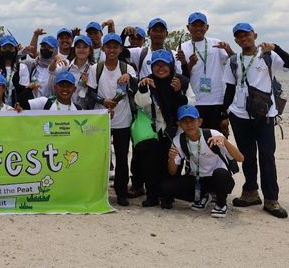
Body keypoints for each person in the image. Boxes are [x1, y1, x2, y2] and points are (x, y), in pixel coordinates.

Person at [222, 22, 289, 218]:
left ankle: (271, 199)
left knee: (267, 156)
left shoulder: (268, 56)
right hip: (239, 115)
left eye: (246, 35)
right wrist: (224, 114)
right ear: (235, 40)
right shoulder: (233, 60)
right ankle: (250, 192)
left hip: (265, 115)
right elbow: (230, 89)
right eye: (239, 36)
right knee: (247, 156)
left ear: (254, 35)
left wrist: (276, 48)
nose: (243, 38)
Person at [160, 105, 244, 218]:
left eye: (192, 121)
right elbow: (172, 172)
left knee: (220, 174)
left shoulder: (213, 134)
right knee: (166, 187)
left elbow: (240, 158)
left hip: (219, 179)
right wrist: (171, 158)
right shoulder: (178, 140)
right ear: (179, 124)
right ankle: (204, 195)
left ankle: (221, 204)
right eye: (184, 122)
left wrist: (224, 141)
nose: (189, 125)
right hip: (198, 179)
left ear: (199, 121)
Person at [87, 32, 137, 206]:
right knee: (100, 156)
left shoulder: (126, 68)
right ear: (103, 48)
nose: (112, 50)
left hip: (122, 119)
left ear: (120, 48)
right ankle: (98, 191)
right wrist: (103, 101)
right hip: (101, 119)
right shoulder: (96, 68)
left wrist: (129, 78)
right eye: (109, 46)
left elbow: (135, 87)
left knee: (122, 157)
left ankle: (121, 192)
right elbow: (90, 91)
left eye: (115, 46)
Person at [134, 49, 189, 206]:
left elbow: (190, 105)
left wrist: (178, 93)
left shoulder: (182, 81)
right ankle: (152, 196)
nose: (160, 68)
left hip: (176, 132)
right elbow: (141, 105)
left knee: (174, 163)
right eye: (156, 65)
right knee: (151, 165)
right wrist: (144, 89)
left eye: (164, 65)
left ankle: (168, 197)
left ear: (171, 65)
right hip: (155, 131)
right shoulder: (146, 81)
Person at [176, 12, 234, 133]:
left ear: (207, 27)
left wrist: (228, 50)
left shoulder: (216, 43)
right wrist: (191, 63)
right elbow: (183, 77)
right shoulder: (183, 48)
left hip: (216, 101)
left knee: (218, 139)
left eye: (201, 25)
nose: (198, 28)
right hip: (194, 101)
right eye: (194, 25)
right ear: (188, 27)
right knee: (195, 138)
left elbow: (235, 62)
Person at [0, 35, 30, 107]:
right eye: (4, 48)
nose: (7, 51)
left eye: (11, 48)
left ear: (15, 50)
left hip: (17, 109)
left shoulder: (22, 68)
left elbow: (24, 92)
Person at [49, 34, 93, 108]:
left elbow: (92, 96)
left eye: (85, 47)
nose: (81, 50)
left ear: (90, 50)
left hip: (83, 111)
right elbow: (51, 71)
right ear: (74, 49)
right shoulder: (66, 64)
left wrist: (86, 86)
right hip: (64, 108)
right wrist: (55, 59)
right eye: (78, 47)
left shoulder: (93, 68)